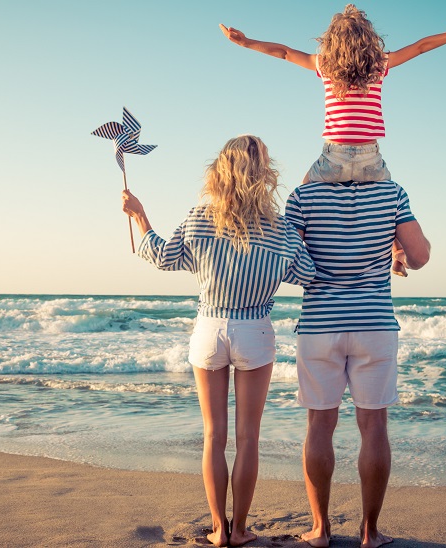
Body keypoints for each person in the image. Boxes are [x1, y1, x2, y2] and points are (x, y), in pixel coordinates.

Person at [121, 134, 315, 547]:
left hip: (210, 330)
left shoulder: (200, 217)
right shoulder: (279, 229)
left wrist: (140, 217)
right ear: (264, 174)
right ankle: (241, 528)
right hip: (256, 332)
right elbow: (308, 274)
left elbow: (164, 257)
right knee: (248, 438)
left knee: (214, 436)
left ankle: (217, 530)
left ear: (220, 171)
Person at [220, 5, 446, 277]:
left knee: (301, 198)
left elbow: (284, 52)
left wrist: (246, 42)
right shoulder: (380, 64)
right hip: (370, 160)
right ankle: (397, 254)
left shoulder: (323, 64)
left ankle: (286, 257)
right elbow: (420, 47)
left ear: (332, 41)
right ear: (369, 39)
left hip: (333, 158)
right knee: (393, 210)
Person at [284, 177, 430, 548]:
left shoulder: (303, 195)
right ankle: (370, 532)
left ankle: (319, 530)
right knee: (374, 424)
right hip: (373, 324)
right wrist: (395, 246)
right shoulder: (392, 193)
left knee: (319, 424)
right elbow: (421, 256)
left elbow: (287, 261)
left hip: (319, 326)